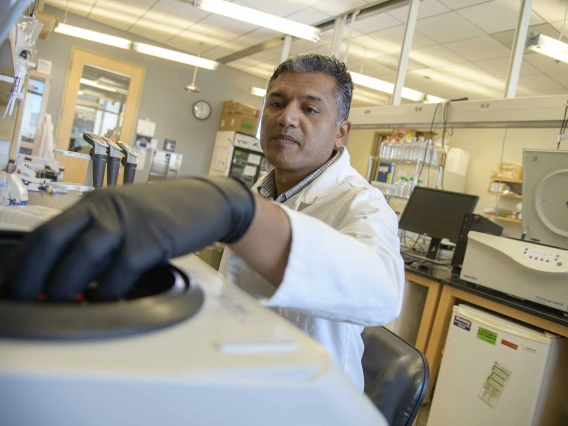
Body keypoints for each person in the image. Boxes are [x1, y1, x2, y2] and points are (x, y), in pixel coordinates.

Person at [0, 54, 404, 391]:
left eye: (310, 108)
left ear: (341, 133)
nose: (287, 118)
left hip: (307, 399)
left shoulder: (362, 204)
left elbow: (382, 291)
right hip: (238, 375)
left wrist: (236, 210)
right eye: (277, 103)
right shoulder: (263, 189)